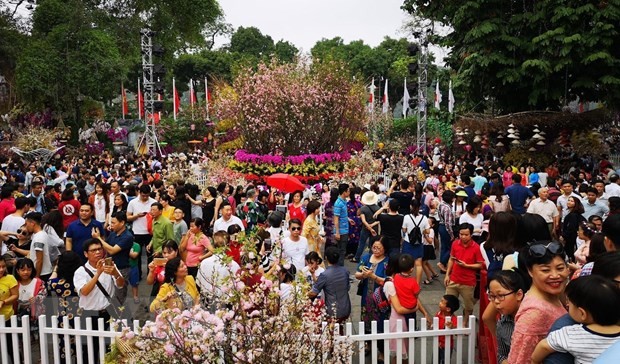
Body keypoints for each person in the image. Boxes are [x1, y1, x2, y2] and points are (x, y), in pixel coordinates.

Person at [531, 275, 620, 363]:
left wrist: (534, 361)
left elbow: (544, 346)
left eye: (569, 302)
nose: (567, 305)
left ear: (582, 313)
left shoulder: (572, 334)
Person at [507, 241, 569, 363]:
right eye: (545, 270)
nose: (555, 275)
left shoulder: (552, 295)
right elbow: (519, 360)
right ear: (530, 271)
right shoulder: (534, 314)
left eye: (560, 268)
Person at [74, 238, 125, 360]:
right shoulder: (81, 272)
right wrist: (98, 273)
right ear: (86, 254)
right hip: (89, 314)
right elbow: (84, 291)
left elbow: (121, 284)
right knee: (89, 350)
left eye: (99, 249)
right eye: (93, 250)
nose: (97, 252)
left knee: (110, 349)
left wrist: (115, 274)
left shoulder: (110, 266)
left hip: (108, 312)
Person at [443, 223, 483, 325]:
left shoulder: (476, 248)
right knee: (447, 303)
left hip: (468, 282)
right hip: (454, 279)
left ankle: (465, 323)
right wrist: (447, 274)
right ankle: (449, 322)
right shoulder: (455, 244)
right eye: (461, 234)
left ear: (471, 235)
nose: (463, 237)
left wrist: (467, 266)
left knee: (468, 306)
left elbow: (480, 265)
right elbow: (451, 259)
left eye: (466, 235)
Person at [92, 211, 133, 306]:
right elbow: (105, 245)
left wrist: (98, 238)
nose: (111, 225)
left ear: (122, 223)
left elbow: (112, 250)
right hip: (109, 267)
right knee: (108, 295)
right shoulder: (113, 233)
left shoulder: (127, 236)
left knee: (119, 297)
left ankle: (120, 318)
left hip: (121, 269)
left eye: (114, 222)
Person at [47, 251, 83, 360]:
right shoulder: (80, 282)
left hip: (64, 317)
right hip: (82, 315)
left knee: (64, 346)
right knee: (82, 346)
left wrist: (56, 267)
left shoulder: (57, 283)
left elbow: (49, 283)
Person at [486, 269, 525, 364]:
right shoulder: (501, 324)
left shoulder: (534, 318)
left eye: (500, 295)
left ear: (519, 294)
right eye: (492, 296)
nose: (496, 301)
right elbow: (502, 355)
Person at [354, 238, 388, 333]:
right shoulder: (366, 258)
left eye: (379, 248)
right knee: (366, 319)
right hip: (366, 296)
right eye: (374, 247)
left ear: (385, 249)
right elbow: (357, 274)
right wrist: (363, 275)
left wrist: (373, 276)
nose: (376, 250)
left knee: (380, 321)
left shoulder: (387, 262)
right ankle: (367, 343)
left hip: (380, 298)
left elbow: (387, 280)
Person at [197, 231, 240, 305]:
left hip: (209, 301)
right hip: (223, 303)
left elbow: (199, 283)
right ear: (228, 245)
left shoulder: (204, 263)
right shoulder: (234, 265)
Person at [309, 246, 350, 322]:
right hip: (345, 307)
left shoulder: (325, 275)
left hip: (332, 310)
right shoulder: (345, 271)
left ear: (326, 258)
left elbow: (314, 292)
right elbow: (347, 288)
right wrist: (313, 274)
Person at [126, 184, 156, 279]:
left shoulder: (154, 202)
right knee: (136, 255)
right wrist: (136, 216)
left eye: (147, 195)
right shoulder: (133, 202)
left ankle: (150, 274)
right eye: (143, 195)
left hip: (150, 232)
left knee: (150, 255)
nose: (145, 197)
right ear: (139, 193)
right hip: (137, 232)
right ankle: (137, 275)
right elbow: (128, 217)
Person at [14, 258, 47, 340]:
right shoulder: (14, 283)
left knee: (39, 339)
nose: (26, 272)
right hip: (18, 315)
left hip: (35, 315)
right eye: (23, 270)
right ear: (17, 271)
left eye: (29, 269)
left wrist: (36, 299)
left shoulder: (38, 282)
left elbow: (44, 293)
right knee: (21, 339)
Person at [401, 198, 429, 284]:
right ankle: (417, 283)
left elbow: (404, 230)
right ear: (419, 206)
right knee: (419, 264)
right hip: (419, 242)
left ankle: (405, 280)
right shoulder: (424, 218)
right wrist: (422, 230)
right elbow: (427, 231)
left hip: (408, 242)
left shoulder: (406, 217)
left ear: (410, 206)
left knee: (406, 262)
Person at [24, 211, 53, 281]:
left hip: (42, 274)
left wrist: (36, 278)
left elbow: (39, 260)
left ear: (32, 223)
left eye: (26, 224)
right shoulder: (42, 234)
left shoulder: (38, 238)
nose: (26, 226)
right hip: (45, 271)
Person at [435, 294, 460, 364]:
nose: (439, 303)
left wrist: (453, 327)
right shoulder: (438, 314)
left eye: (442, 302)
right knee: (435, 359)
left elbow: (458, 332)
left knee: (445, 360)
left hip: (447, 346)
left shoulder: (453, 319)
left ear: (448, 309)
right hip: (437, 343)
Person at [560, 196, 586, 260]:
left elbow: (571, 228)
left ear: (576, 203)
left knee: (571, 255)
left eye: (572, 201)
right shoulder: (572, 214)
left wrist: (564, 236)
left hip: (572, 239)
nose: (569, 202)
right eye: (568, 200)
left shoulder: (573, 215)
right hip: (572, 238)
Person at [437, 190, 456, 273]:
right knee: (450, 247)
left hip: (441, 226)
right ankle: (442, 262)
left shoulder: (441, 204)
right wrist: (451, 234)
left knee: (444, 247)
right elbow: (448, 223)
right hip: (446, 228)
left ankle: (442, 264)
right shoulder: (447, 208)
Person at [333, 183, 350, 266]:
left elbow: (342, 215)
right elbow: (336, 218)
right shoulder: (338, 203)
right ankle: (340, 270)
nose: (349, 192)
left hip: (345, 229)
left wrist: (348, 219)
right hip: (341, 231)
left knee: (342, 251)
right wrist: (337, 232)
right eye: (348, 190)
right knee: (341, 251)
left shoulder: (344, 201)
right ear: (344, 192)